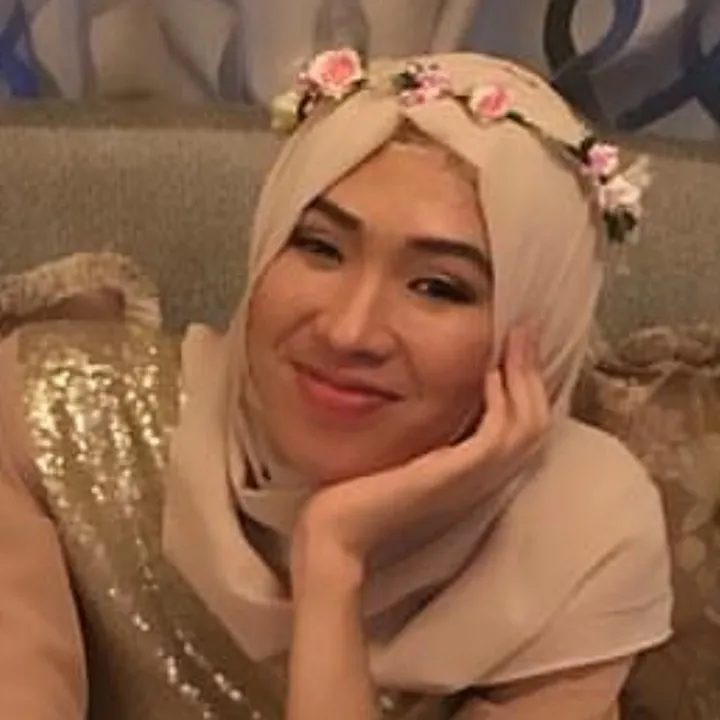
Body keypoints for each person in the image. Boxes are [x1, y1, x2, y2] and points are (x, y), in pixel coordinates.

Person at [0, 51, 672, 720]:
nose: (349, 331)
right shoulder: (52, 414)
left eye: (438, 287)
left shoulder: (581, 532)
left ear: (541, 327)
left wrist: (332, 555)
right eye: (320, 247)